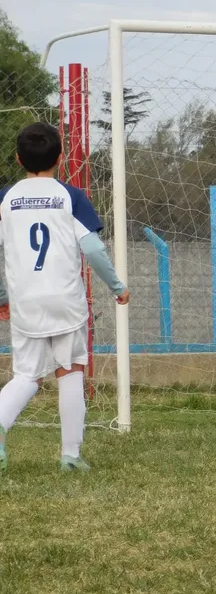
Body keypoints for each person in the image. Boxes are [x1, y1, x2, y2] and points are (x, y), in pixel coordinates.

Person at [0, 122, 129, 472]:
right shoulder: (70, 197)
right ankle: (70, 456)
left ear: (17, 158)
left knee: (27, 375)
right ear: (60, 157)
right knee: (70, 371)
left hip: (25, 301)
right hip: (67, 300)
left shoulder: (5, 198)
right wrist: (118, 287)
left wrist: (2, 298)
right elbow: (93, 249)